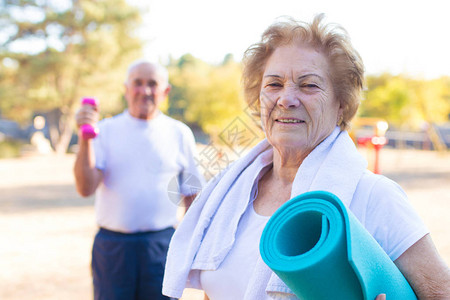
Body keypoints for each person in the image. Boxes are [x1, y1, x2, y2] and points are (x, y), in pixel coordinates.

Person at [162, 15, 450, 299]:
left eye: (309, 85)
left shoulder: (375, 196)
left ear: (341, 104)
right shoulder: (230, 196)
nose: (286, 99)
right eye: (274, 85)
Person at [74, 60, 205, 300]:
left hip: (161, 245)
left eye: (152, 84)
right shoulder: (105, 130)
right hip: (112, 248)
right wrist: (85, 138)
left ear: (165, 92)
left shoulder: (179, 133)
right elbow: (85, 188)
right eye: (138, 83)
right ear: (126, 89)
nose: (144, 91)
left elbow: (194, 195)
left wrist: (187, 247)